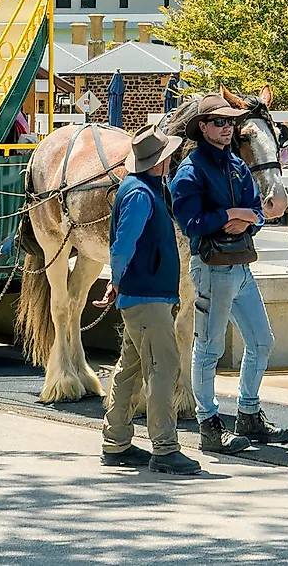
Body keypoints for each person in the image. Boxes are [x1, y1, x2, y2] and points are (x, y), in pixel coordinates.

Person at [170, 94, 284, 455]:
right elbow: (190, 223)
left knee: (263, 341)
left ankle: (248, 412)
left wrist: (248, 217)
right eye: (219, 122)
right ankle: (209, 424)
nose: (227, 128)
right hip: (211, 268)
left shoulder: (237, 165)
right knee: (208, 349)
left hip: (240, 266)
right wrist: (231, 214)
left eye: (230, 123)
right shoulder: (190, 171)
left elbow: (259, 211)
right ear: (202, 128)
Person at [100, 119, 197, 474]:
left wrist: (117, 282)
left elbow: (122, 247)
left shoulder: (139, 188)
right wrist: (118, 278)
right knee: (162, 368)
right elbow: (123, 245)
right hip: (149, 296)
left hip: (140, 295)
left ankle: (117, 441)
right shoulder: (143, 193)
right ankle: (165, 447)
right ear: (160, 161)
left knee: (131, 368)